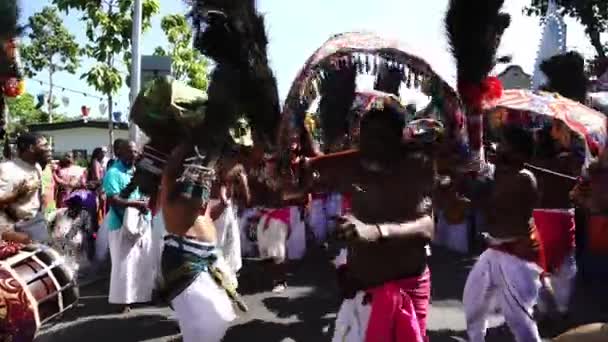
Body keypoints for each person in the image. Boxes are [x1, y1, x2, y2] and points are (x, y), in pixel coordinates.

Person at [310, 104, 434, 342]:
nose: (371, 146)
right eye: (365, 137)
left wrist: (377, 231)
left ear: (399, 138)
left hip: (404, 290)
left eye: (380, 137)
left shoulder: (417, 167)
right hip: (361, 290)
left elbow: (427, 226)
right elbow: (297, 184)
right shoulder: (354, 169)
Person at [462, 126, 543, 342]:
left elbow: (493, 205)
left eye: (505, 144)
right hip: (495, 251)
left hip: (516, 256)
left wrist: (479, 180)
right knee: (473, 301)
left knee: (519, 319)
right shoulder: (497, 173)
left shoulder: (524, 178)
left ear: (518, 154)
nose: (498, 147)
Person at [159, 144, 243, 342]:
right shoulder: (171, 184)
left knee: (216, 317)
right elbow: (172, 167)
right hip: (184, 258)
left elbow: (204, 218)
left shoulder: (199, 193)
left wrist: (222, 204)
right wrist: (192, 138)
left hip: (206, 257)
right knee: (205, 323)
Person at [530, 121, 582, 318]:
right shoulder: (568, 161)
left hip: (539, 218)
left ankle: (543, 308)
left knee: (539, 266)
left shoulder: (534, 162)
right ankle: (561, 309)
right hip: (560, 219)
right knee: (564, 267)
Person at [103, 140, 152, 312]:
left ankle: (140, 296)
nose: (135, 154)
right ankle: (123, 302)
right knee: (123, 265)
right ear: (119, 153)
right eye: (131, 151)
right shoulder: (113, 173)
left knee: (141, 261)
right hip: (120, 224)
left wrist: (145, 202)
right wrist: (136, 204)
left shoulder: (137, 171)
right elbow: (113, 199)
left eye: (136, 151)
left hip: (141, 221)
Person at [0, 133, 51, 244]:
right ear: (31, 148)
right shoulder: (8, 169)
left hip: (36, 223)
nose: (49, 148)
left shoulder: (37, 167)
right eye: (44, 145)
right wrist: (18, 194)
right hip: (17, 228)